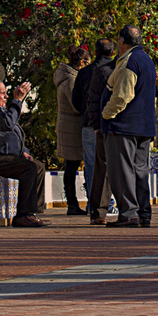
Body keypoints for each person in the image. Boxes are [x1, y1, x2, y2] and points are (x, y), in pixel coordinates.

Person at [0, 78, 48, 227]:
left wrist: (23, 151)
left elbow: (14, 133)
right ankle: (22, 215)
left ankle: (32, 213)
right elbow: (7, 123)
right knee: (28, 168)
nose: (6, 97)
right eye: (2, 93)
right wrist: (17, 100)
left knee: (37, 167)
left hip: (4, 156)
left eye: (6, 94)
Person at [100, 25, 158, 227]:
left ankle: (129, 213)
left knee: (123, 171)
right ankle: (143, 213)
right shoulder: (147, 61)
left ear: (122, 42)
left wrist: (106, 115)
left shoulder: (129, 62)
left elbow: (122, 96)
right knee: (140, 170)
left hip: (124, 126)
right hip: (144, 126)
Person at [74, 38, 118, 222]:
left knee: (92, 166)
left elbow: (75, 99)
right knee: (112, 164)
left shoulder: (84, 73)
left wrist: (87, 115)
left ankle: (94, 205)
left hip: (88, 123)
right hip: (110, 123)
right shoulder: (116, 70)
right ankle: (109, 204)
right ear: (112, 52)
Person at [52, 46, 90, 215]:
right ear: (82, 62)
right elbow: (76, 104)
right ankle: (73, 204)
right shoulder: (70, 79)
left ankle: (74, 203)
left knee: (71, 166)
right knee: (72, 166)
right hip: (72, 128)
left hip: (69, 126)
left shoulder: (67, 76)